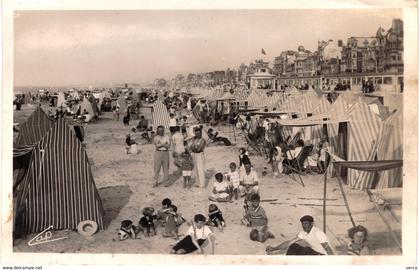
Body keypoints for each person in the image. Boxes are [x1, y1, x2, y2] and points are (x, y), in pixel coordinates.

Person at [266, 215, 334, 255]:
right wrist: (274, 248)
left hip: (323, 257)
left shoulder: (318, 233)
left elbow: (328, 249)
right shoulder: (304, 233)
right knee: (294, 246)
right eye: (303, 224)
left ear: (311, 224)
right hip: (314, 253)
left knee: (306, 249)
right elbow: (288, 243)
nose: (304, 226)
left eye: (306, 223)